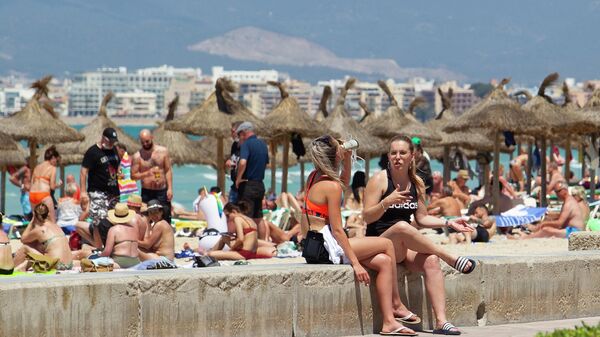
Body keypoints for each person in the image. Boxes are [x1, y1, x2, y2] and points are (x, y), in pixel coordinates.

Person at [302, 135, 418, 336]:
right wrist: (355, 264)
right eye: (340, 149)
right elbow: (338, 230)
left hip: (315, 245)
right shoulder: (331, 186)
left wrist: (346, 158)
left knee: (382, 261)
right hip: (327, 247)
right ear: (334, 156)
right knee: (386, 245)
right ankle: (397, 304)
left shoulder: (314, 177)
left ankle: (388, 323)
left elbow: (342, 183)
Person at [363, 135, 476, 336]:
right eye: (393, 153)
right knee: (401, 226)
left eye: (402, 153)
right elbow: (367, 217)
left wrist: (448, 222)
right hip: (379, 244)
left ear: (412, 156)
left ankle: (441, 322)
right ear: (388, 156)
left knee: (431, 260)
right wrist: (386, 202)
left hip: (401, 248)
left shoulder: (417, 183)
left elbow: (422, 218)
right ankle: (449, 257)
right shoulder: (379, 180)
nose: (397, 157)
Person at [78, 127, 121, 246]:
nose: (112, 143)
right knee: (99, 221)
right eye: (110, 141)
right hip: (97, 192)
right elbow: (83, 172)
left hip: (114, 192)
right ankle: (98, 246)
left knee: (113, 219)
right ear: (103, 138)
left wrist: (120, 173)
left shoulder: (114, 150)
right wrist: (82, 192)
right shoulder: (93, 151)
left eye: (114, 141)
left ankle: (109, 245)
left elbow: (117, 166)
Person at [235, 122, 269, 240]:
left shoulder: (247, 144)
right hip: (260, 184)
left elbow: (243, 162)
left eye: (239, 135)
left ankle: (249, 243)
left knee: (246, 216)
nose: (239, 138)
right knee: (259, 217)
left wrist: (238, 179)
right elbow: (266, 164)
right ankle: (262, 242)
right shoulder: (263, 144)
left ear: (244, 133)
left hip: (248, 184)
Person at [207, 202, 276, 260]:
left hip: (244, 254)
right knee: (224, 237)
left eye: (228, 215)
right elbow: (247, 237)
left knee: (210, 254)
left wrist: (232, 249)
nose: (228, 218)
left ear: (234, 211)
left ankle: (210, 252)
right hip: (252, 252)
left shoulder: (237, 218)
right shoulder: (250, 219)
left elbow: (240, 239)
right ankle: (211, 251)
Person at [131, 129, 173, 225]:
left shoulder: (163, 152)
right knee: (146, 218)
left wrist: (170, 188)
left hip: (162, 190)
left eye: (147, 141)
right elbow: (133, 176)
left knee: (165, 217)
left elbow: (168, 170)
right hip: (147, 191)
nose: (145, 144)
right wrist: (146, 173)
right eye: (142, 142)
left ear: (152, 138)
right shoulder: (137, 156)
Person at [14, 203, 73, 271]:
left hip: (55, 265)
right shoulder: (56, 226)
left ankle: (11, 268)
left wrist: (32, 221)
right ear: (48, 214)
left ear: (35, 215)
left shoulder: (40, 230)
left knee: (25, 247)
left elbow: (23, 239)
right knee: (39, 245)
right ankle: (21, 267)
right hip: (69, 265)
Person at [516, 182, 585, 239]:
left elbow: (559, 223)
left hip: (574, 232)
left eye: (557, 192)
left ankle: (527, 237)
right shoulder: (568, 201)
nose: (557, 194)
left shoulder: (569, 203)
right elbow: (563, 218)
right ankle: (532, 231)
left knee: (546, 229)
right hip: (570, 229)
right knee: (547, 226)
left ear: (564, 190)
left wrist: (544, 223)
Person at [100, 203, 140, 268]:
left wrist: (99, 257)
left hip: (120, 261)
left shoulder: (114, 229)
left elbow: (107, 251)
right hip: (136, 261)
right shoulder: (134, 229)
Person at [29, 146, 62, 222]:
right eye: (56, 161)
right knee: (52, 221)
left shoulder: (37, 167)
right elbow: (52, 187)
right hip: (43, 194)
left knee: (35, 221)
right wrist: (58, 185)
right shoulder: (52, 168)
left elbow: (32, 183)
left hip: (32, 195)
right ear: (53, 157)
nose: (55, 163)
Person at [225, 121, 242, 203]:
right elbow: (233, 159)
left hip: (243, 187)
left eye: (233, 131)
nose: (231, 134)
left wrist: (236, 164)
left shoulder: (246, 146)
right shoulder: (234, 145)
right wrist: (229, 161)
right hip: (234, 185)